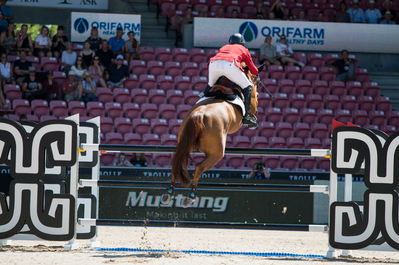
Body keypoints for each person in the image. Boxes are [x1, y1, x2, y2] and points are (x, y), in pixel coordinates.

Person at [205, 33, 258, 128]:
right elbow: (253, 71)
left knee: (209, 86)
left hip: (213, 64)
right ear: (242, 43)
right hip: (230, 65)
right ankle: (246, 117)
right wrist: (256, 71)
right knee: (248, 86)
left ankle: (203, 98)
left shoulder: (224, 47)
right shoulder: (244, 49)